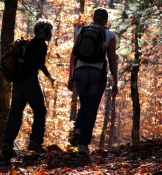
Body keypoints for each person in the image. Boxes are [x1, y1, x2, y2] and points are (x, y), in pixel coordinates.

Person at [0, 19, 54, 165]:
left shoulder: (25, 44)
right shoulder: (40, 45)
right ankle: (35, 143)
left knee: (15, 112)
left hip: (18, 82)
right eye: (49, 31)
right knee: (40, 110)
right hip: (30, 81)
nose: (50, 34)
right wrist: (49, 76)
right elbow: (40, 63)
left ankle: (6, 146)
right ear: (44, 31)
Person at [68, 8, 118, 155]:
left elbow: (73, 55)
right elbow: (112, 59)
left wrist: (70, 77)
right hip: (97, 74)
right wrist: (115, 81)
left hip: (80, 73)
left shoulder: (82, 31)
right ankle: (83, 145)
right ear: (105, 20)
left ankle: (78, 128)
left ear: (94, 18)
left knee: (85, 104)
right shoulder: (109, 34)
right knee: (92, 107)